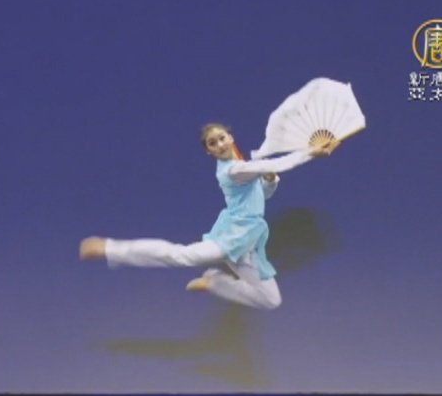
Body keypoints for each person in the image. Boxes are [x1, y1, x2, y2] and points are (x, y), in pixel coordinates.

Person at [80, 123, 332, 310]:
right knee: (180, 256)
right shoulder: (233, 170)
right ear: (209, 151)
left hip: (248, 245)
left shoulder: (245, 167)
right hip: (230, 238)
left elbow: (261, 197)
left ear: (230, 138)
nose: (220, 144)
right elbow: (272, 165)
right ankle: (109, 248)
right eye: (213, 143)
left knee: (271, 300)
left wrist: (269, 181)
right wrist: (310, 153)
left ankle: (215, 283)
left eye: (222, 138)